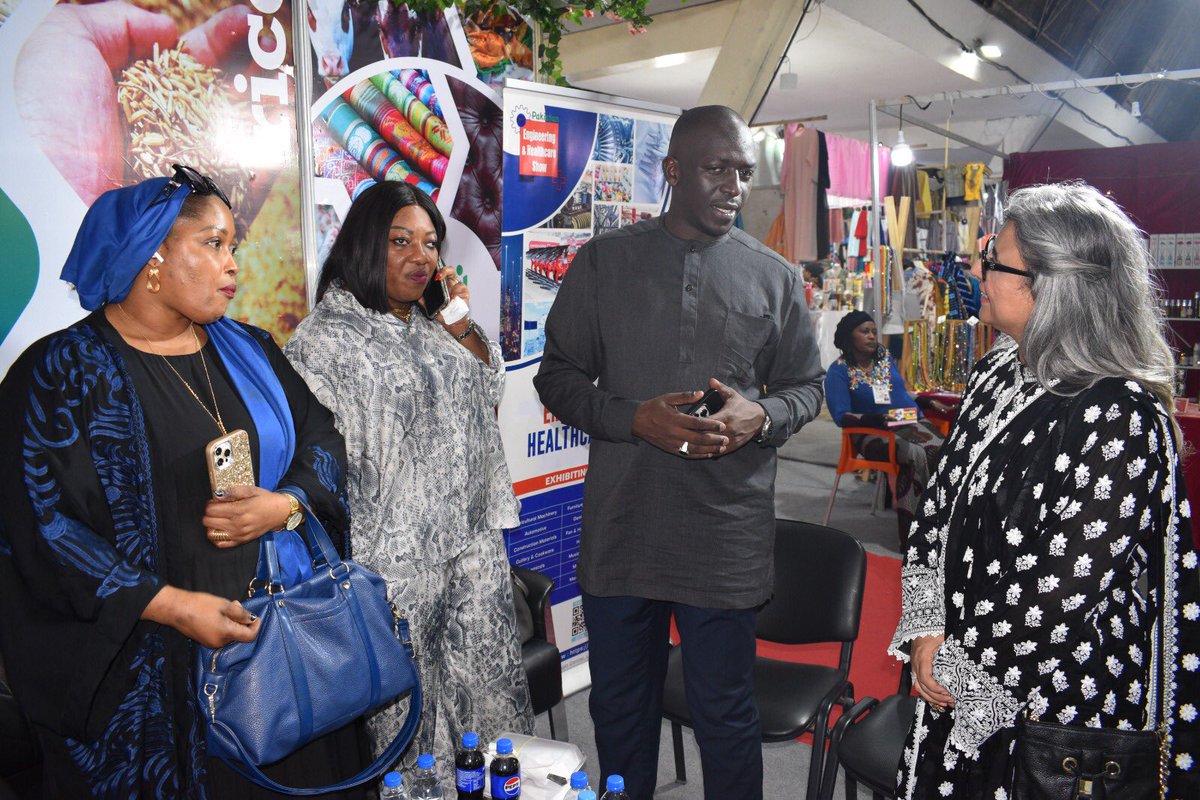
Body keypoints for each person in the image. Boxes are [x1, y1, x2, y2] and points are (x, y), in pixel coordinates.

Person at [0, 166, 366, 797]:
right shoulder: (60, 375)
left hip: (279, 643)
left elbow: (322, 438)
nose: (232, 265)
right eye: (213, 244)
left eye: (234, 247)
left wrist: (286, 504)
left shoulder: (250, 349)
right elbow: (42, 526)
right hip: (150, 669)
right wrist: (173, 606)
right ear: (151, 258)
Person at [534, 105, 825, 800]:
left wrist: (762, 416)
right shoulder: (604, 264)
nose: (733, 185)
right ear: (671, 171)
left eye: (743, 172)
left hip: (724, 538)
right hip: (624, 530)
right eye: (715, 168)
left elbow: (807, 389)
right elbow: (559, 376)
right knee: (619, 712)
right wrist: (633, 419)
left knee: (725, 716)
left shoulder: (775, 278)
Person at [888, 182, 1200, 797]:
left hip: (1057, 708)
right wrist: (928, 628)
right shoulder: (1002, 368)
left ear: (1051, 286)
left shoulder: (1122, 414)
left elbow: (1062, 592)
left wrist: (961, 672)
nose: (978, 269)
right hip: (958, 669)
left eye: (993, 260)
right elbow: (938, 508)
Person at [283, 182, 533, 780]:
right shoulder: (323, 341)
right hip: (391, 567)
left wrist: (459, 321)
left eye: (429, 243)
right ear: (366, 245)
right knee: (406, 727)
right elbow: (315, 464)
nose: (420, 257)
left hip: (470, 547)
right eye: (401, 241)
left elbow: (487, 392)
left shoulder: (427, 324)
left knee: (489, 708)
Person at [824, 310, 945, 545]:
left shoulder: (884, 360)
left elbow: (899, 393)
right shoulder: (838, 371)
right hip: (872, 433)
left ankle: (940, 524)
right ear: (850, 337)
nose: (872, 336)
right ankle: (915, 536)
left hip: (909, 420)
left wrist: (925, 402)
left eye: (874, 332)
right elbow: (842, 416)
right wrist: (876, 420)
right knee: (917, 454)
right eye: (865, 331)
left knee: (945, 449)